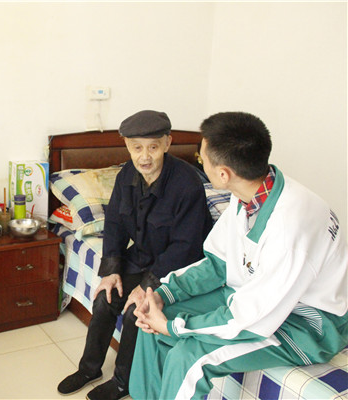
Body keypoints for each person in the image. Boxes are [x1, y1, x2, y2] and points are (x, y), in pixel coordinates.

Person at [129, 111, 348, 400]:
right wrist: (162, 294)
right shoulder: (249, 194)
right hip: (257, 294)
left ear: (223, 174)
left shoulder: (289, 231)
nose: (199, 162)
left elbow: (251, 318)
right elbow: (219, 264)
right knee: (150, 320)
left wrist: (173, 327)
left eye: (202, 159)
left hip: (307, 324)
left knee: (191, 357)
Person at [57, 110, 213, 400]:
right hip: (141, 255)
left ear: (167, 143)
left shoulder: (187, 183)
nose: (145, 157)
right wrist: (111, 270)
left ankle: (123, 382)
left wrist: (145, 286)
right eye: (137, 148)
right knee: (105, 299)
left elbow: (186, 246)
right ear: (127, 146)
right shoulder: (127, 174)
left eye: (153, 147)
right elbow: (115, 224)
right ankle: (89, 368)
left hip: (178, 266)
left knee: (136, 312)